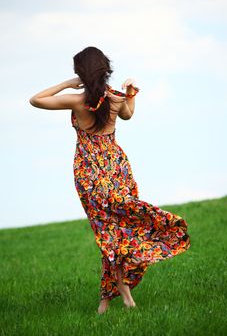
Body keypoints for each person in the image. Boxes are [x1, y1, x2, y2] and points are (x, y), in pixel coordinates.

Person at [29, 46, 191, 315]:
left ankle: (118, 298)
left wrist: (68, 84)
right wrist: (130, 93)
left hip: (90, 173)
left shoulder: (76, 100)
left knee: (108, 234)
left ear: (81, 73)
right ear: (106, 70)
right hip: (116, 168)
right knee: (114, 232)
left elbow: (36, 99)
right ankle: (110, 299)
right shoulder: (115, 99)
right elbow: (128, 114)